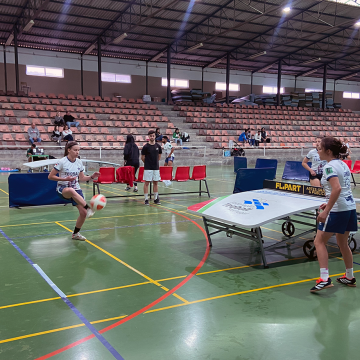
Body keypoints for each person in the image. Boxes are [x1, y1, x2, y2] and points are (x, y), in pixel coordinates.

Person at [310, 137, 357, 292]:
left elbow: (336, 189)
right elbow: (342, 189)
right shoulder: (343, 164)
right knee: (342, 243)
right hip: (349, 208)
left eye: (320, 148)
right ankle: (349, 276)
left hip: (337, 210)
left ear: (328, 151)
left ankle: (324, 279)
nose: (318, 150)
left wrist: (327, 210)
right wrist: (329, 202)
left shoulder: (329, 167)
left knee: (319, 241)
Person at [48, 141, 100, 241]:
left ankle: (75, 234)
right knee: (71, 190)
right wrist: (65, 179)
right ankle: (89, 208)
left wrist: (92, 176)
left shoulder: (79, 162)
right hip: (63, 189)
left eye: (78, 150)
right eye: (75, 150)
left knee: (83, 213)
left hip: (76, 189)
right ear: (69, 150)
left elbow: (82, 178)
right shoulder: (62, 161)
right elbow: (50, 176)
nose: (77, 152)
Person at [141, 130, 162, 205]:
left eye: (153, 136)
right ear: (148, 137)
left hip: (156, 167)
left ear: (155, 136)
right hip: (148, 168)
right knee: (146, 183)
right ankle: (146, 199)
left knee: (155, 183)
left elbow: (159, 156)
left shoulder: (158, 146)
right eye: (150, 136)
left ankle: (156, 198)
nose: (152, 137)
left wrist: (155, 162)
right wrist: (147, 163)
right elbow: (142, 157)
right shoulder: (145, 147)